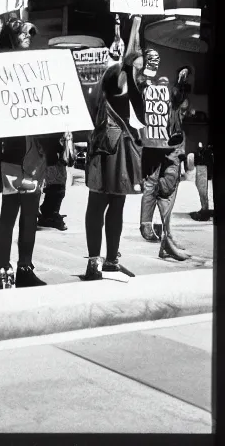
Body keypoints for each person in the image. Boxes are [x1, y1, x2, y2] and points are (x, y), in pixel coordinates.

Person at [82, 18, 144, 281]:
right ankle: (95, 261)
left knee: (115, 205)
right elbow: (127, 65)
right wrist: (136, 26)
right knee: (99, 205)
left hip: (119, 148)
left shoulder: (130, 82)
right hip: (109, 148)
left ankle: (109, 259)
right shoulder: (115, 76)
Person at [0, 16, 48, 289]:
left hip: (35, 152)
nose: (27, 36)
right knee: (9, 211)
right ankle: (3, 269)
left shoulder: (38, 67)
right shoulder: (0, 66)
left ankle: (25, 267)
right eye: (22, 33)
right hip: (11, 153)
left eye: (30, 34)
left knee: (30, 213)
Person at [127, 18, 192, 260]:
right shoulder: (143, 85)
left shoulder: (170, 93)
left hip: (170, 146)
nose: (154, 62)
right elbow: (134, 72)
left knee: (168, 186)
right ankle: (147, 225)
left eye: (156, 59)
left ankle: (167, 234)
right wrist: (135, 25)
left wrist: (182, 79)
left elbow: (178, 99)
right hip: (153, 146)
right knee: (152, 184)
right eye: (149, 58)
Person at [37, 132, 74, 231]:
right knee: (56, 187)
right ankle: (49, 213)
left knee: (58, 187)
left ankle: (49, 213)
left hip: (54, 154)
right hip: (52, 155)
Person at [190, 142, 213, 221]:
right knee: (202, 192)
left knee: (202, 192)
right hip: (201, 169)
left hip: (202, 169)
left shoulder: (203, 152)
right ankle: (203, 210)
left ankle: (204, 211)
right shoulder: (205, 153)